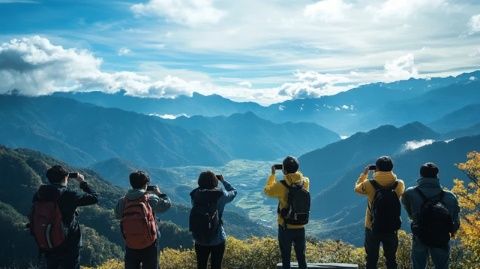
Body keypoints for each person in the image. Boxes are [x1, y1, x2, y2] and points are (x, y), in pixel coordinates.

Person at [29, 165, 98, 269]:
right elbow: (94, 198)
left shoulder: (39, 195)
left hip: (49, 242)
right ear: (66, 177)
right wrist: (83, 183)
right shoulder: (68, 195)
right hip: (69, 244)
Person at [401, 163, 460, 269]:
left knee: (418, 265)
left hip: (420, 235)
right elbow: (455, 222)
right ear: (437, 176)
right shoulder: (450, 197)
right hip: (441, 237)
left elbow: (409, 212)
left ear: (421, 175)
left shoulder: (410, 193)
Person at [354, 156, 405, 269]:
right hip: (392, 227)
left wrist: (364, 174)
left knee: (371, 259)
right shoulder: (399, 184)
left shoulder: (368, 184)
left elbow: (357, 189)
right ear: (391, 168)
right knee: (391, 259)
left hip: (372, 226)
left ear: (376, 168)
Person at [115, 171, 171, 269]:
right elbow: (167, 205)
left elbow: (117, 215)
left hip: (131, 243)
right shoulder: (150, 198)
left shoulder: (122, 201)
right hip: (149, 244)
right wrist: (160, 194)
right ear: (146, 184)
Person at [264, 156, 310, 269]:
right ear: (297, 169)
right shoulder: (305, 182)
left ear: (284, 170)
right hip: (300, 225)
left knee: (286, 258)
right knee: (301, 258)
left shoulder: (281, 185)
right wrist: (293, 171)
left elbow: (267, 190)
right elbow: (300, 176)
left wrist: (273, 174)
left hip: (285, 227)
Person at [189, 171, 237, 269]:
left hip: (200, 237)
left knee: (201, 266)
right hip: (217, 238)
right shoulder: (221, 195)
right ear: (215, 181)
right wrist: (223, 181)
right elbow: (234, 191)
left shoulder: (195, 195)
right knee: (216, 266)